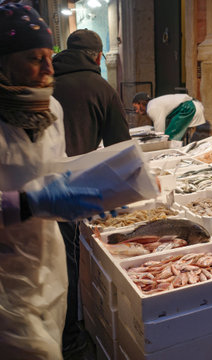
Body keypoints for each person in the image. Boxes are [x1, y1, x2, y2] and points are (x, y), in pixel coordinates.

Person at [0, 4, 104, 359]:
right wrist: (31, 203)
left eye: (50, 56)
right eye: (34, 58)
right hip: (5, 277)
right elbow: (37, 194)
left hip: (48, 262)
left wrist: (100, 184)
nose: (49, 69)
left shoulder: (51, 110)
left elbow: (53, 171)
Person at [52, 28, 131, 355]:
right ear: (98, 56)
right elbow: (121, 152)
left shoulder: (40, 82)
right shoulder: (102, 88)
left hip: (27, 190)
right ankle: (70, 340)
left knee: (47, 269)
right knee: (66, 267)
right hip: (69, 193)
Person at [132, 92, 206, 141]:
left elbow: (160, 132)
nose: (136, 111)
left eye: (136, 108)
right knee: (171, 137)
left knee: (169, 139)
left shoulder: (151, 108)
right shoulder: (153, 103)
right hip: (191, 106)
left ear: (141, 103)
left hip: (188, 108)